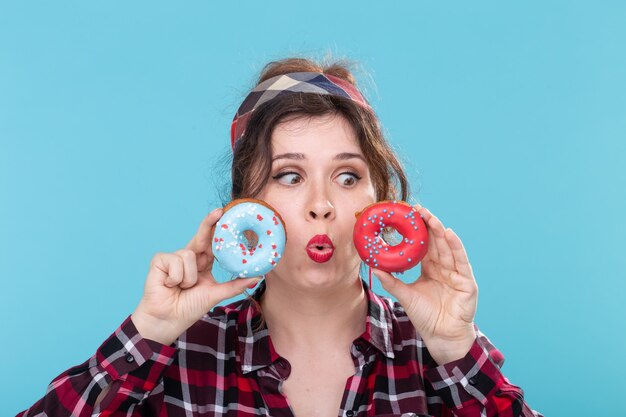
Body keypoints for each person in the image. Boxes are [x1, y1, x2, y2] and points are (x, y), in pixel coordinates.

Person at [18, 57, 543, 417]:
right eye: (289, 176)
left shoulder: (434, 352)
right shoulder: (180, 352)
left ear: (378, 204)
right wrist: (147, 333)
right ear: (246, 210)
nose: (321, 203)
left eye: (347, 176)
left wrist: (457, 349)